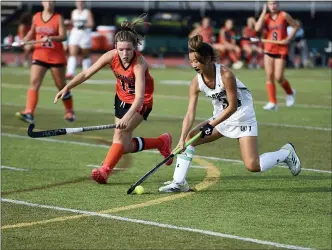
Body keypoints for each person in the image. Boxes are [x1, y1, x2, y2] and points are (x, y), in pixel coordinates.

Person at [159, 35, 301, 193]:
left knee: (253, 165)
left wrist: (210, 125)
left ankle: (285, 153)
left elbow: (233, 106)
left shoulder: (226, 75)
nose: (193, 65)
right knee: (188, 140)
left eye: (197, 61)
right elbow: (190, 113)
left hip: (242, 116)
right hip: (221, 117)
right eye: (191, 61)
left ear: (207, 59)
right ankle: (179, 183)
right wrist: (180, 140)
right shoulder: (195, 82)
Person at [54, 14, 173, 184]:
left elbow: (139, 97)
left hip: (141, 103)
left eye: (129, 49)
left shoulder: (139, 64)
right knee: (122, 144)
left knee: (120, 135)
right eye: (121, 49)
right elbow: (86, 73)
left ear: (135, 48)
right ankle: (161, 142)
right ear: (115, 46)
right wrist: (67, 87)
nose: (125, 53)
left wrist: (127, 117)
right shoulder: (111, 56)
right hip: (121, 99)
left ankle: (104, 170)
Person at [16, 0, 75, 124]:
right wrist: (24, 40)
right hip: (39, 55)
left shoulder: (58, 18)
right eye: (47, 1)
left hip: (56, 57)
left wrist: (51, 38)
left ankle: (69, 111)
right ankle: (29, 112)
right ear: (42, 3)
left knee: (61, 86)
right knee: (34, 82)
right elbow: (32, 33)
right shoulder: (36, 16)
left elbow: (64, 36)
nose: (49, 3)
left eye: (52, 1)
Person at [255, 1, 299, 111]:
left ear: (278, 5)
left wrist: (288, 39)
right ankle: (273, 102)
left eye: (275, 3)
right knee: (269, 75)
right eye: (270, 4)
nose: (273, 6)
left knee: (278, 77)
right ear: (267, 5)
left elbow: (295, 26)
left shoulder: (283, 15)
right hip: (269, 48)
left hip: (281, 49)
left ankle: (290, 92)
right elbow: (257, 29)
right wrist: (263, 13)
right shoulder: (266, 17)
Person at [65, 0, 94, 80]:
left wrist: (83, 25)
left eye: (81, 2)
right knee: (72, 53)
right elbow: (72, 23)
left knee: (85, 55)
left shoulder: (87, 12)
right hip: (75, 34)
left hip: (85, 35)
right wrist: (68, 22)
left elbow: (91, 24)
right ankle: (70, 73)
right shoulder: (74, 12)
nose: (80, 3)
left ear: (84, 3)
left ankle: (86, 73)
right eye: (78, 2)